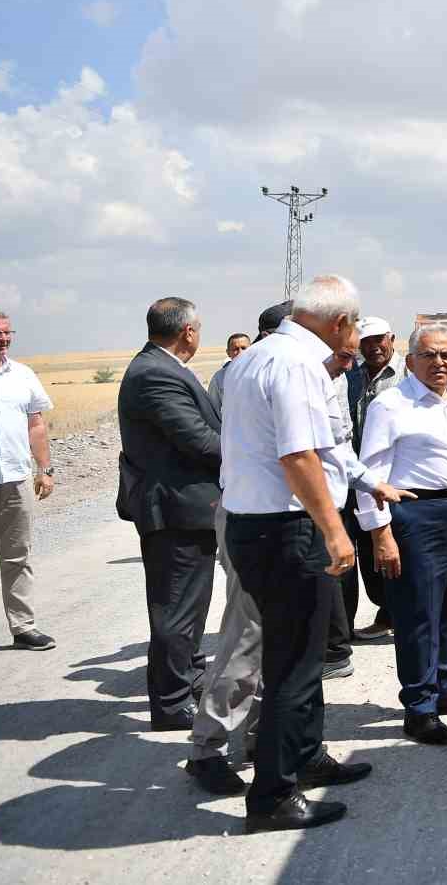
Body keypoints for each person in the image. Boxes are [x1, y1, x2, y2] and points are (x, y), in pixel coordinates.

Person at [219, 276, 374, 831]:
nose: (353, 335)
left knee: (300, 653)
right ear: (340, 324)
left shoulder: (255, 357)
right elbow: (299, 455)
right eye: (354, 325)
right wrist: (334, 531)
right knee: (295, 664)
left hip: (256, 526)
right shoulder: (297, 363)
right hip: (288, 529)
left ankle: (307, 756)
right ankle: (274, 797)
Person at [359, 323, 447, 746]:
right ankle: (419, 707)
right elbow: (371, 472)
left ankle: (446, 686)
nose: (440, 363)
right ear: (411, 360)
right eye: (430, 355)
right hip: (414, 514)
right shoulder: (390, 405)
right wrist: (379, 533)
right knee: (418, 613)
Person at [184, 302, 287, 795]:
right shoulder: (257, 372)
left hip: (272, 516)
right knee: (246, 635)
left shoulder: (250, 371)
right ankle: (209, 746)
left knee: (271, 638)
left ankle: (254, 738)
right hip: (255, 517)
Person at [117, 297, 221, 730]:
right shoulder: (155, 373)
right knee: (176, 611)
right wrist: (254, 453)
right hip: (175, 510)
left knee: (189, 609)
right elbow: (196, 439)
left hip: (187, 508)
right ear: (188, 332)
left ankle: (190, 682)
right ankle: (173, 703)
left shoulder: (160, 367)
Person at [0, 308, 56, 667]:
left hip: (16, 480)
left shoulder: (22, 375)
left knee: (17, 558)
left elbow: (35, 424)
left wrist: (45, 469)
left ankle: (23, 628)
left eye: (7, 333)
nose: (2, 339)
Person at [346, 317, 401, 638]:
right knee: (368, 552)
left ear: (391, 338)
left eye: (379, 339)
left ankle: (400, 612)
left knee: (397, 547)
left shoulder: (407, 375)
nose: (373, 346)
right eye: (366, 341)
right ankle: (385, 609)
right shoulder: (351, 377)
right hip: (359, 480)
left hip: (395, 480)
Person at [205, 332, 251, 415]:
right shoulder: (219, 378)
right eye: (235, 349)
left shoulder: (260, 373)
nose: (240, 352)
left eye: (244, 348)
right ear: (228, 352)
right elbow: (212, 409)